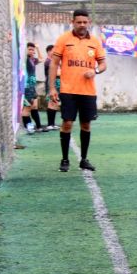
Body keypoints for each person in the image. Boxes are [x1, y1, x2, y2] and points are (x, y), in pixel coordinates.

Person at [48, 9, 107, 172]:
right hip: (68, 90)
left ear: (89, 23)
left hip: (88, 92)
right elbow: (54, 63)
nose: (82, 25)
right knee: (67, 123)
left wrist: (94, 71)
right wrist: (52, 87)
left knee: (86, 125)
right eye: (79, 22)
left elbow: (103, 64)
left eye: (85, 22)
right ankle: (65, 159)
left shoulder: (95, 42)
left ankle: (84, 159)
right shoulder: (63, 39)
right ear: (73, 22)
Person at [22, 42, 43, 133]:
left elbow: (41, 59)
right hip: (27, 87)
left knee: (34, 106)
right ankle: (29, 127)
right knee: (27, 107)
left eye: (32, 50)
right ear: (26, 50)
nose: (31, 51)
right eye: (30, 49)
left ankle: (38, 126)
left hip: (32, 86)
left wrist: (37, 48)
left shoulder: (33, 59)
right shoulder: (24, 59)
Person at [44, 44, 61, 130]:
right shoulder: (48, 62)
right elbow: (57, 73)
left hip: (57, 85)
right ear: (49, 52)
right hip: (51, 85)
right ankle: (50, 124)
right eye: (53, 51)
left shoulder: (55, 61)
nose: (55, 52)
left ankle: (53, 124)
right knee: (51, 103)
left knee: (55, 104)